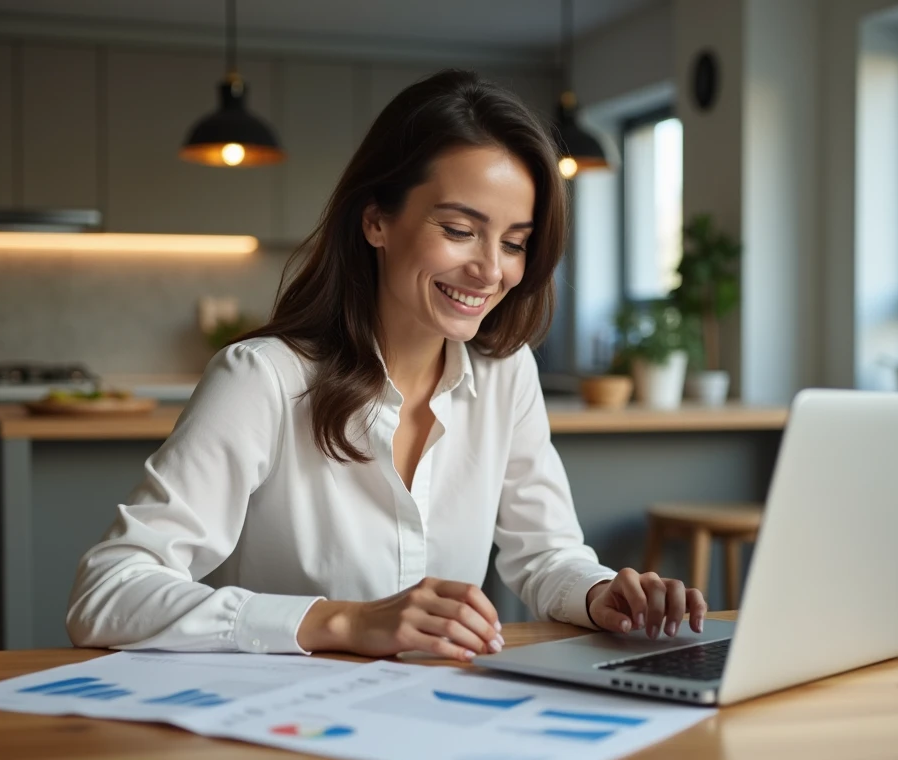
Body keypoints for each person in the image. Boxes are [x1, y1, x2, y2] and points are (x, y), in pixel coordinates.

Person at [66, 69, 707, 662]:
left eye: (514, 242)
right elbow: (108, 591)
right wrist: (344, 622)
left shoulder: (504, 374)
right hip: (283, 737)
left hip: (434, 726)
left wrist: (601, 595)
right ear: (376, 220)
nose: (491, 270)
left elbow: (546, 553)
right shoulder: (262, 378)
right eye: (460, 230)